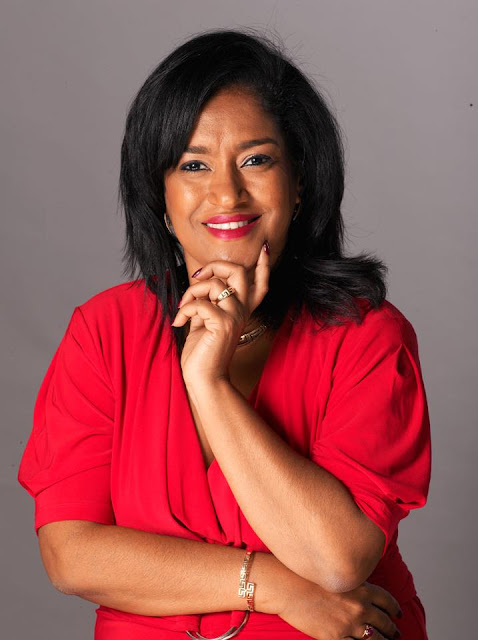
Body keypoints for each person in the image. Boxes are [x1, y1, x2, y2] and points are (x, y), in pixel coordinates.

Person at [18, 28, 431, 640]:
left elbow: (337, 561)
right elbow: (71, 555)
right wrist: (276, 588)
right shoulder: (104, 332)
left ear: (299, 181)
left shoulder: (366, 335)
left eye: (256, 160)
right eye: (193, 165)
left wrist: (208, 384)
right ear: (159, 195)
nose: (227, 193)